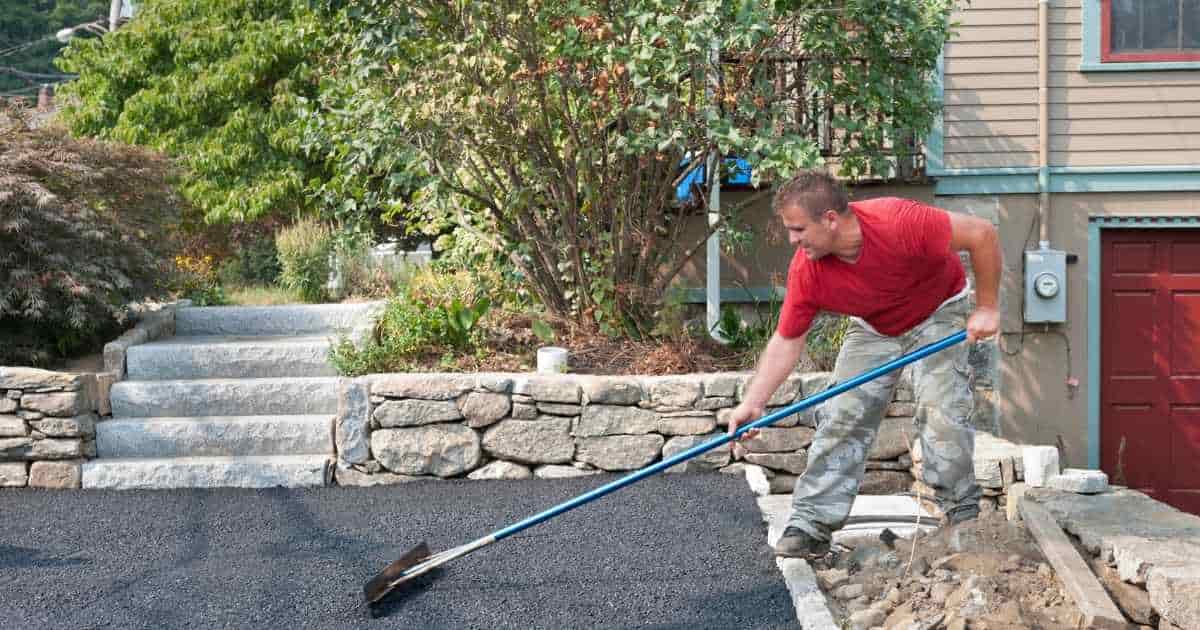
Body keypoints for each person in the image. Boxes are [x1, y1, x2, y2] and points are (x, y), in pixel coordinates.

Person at [725, 169, 1001, 558]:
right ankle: (811, 524)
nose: (792, 239)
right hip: (874, 325)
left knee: (942, 411)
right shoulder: (808, 269)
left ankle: (962, 514)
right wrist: (753, 402)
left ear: (831, 220)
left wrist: (988, 307)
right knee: (843, 414)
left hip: (938, 312)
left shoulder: (900, 222)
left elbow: (982, 234)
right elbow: (787, 340)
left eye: (798, 229)